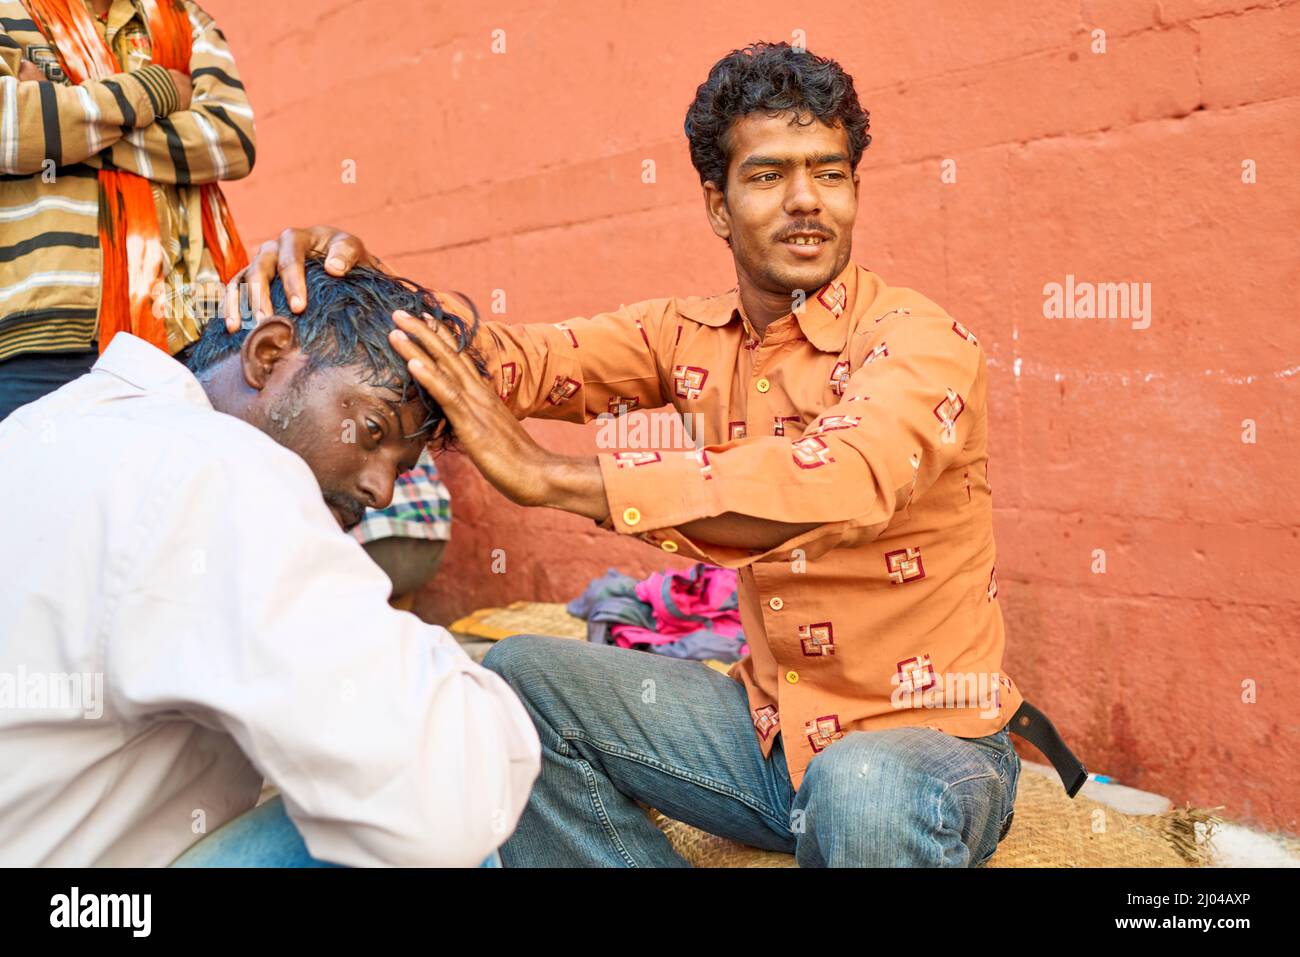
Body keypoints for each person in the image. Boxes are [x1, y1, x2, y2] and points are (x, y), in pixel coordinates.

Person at [235, 41, 1086, 867]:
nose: (805, 200)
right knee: (520, 678)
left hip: (927, 746)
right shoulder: (686, 335)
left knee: (860, 784)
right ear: (717, 205)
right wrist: (370, 299)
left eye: (828, 172)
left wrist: (553, 479)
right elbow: (523, 361)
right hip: (769, 740)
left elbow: (844, 481)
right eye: (768, 175)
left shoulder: (919, 340)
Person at [0, 260, 540, 866]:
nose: (382, 491)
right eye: (370, 429)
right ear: (269, 354)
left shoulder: (52, 423)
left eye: (401, 466)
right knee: (452, 772)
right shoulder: (220, 468)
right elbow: (444, 807)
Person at [0, 0, 255, 420]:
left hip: (186, 333)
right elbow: (13, 128)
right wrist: (160, 89)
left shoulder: (184, 20)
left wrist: (69, 119)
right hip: (42, 338)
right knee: (41, 483)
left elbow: (231, 142)